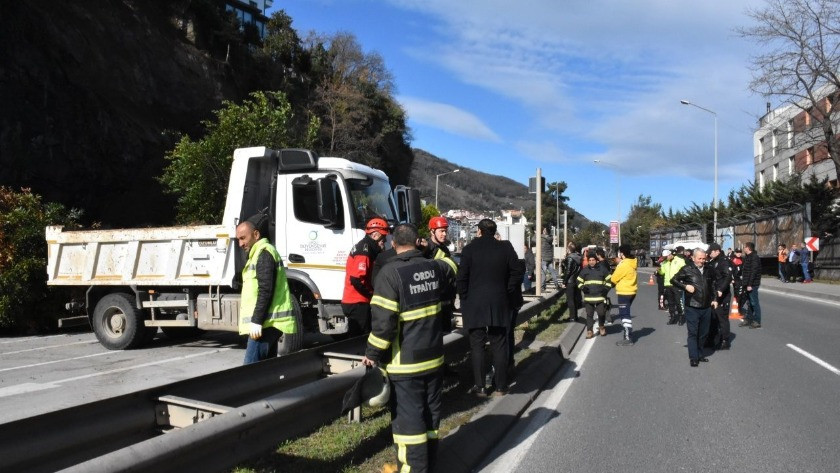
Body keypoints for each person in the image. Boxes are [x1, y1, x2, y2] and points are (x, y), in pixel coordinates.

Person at [361, 224, 456, 473]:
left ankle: (412, 469)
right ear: (418, 242)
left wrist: (371, 354)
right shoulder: (435, 267)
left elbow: (383, 326)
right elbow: (453, 266)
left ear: (394, 244)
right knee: (430, 420)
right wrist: (431, 250)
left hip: (406, 365)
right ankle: (428, 465)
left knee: (408, 426)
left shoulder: (390, 274)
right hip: (434, 359)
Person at [457, 219, 521, 397]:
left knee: (477, 345)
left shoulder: (469, 250)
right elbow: (517, 271)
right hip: (499, 302)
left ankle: (480, 387)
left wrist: (464, 297)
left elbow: (462, 277)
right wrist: (506, 288)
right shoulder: (505, 248)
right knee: (499, 344)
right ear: (494, 232)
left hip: (474, 303)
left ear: (479, 231)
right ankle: (501, 386)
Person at [235, 217, 297, 365]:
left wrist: (257, 321)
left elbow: (265, 290)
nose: (240, 244)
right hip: (267, 323)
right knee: (267, 369)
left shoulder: (263, 253)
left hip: (265, 324)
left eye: (243, 238)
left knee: (249, 371)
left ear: (256, 235)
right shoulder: (259, 253)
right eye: (238, 239)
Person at [670, 248, 718, 367]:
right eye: (699, 258)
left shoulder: (708, 269)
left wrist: (715, 299)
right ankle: (693, 357)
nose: (702, 261)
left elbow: (713, 285)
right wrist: (685, 286)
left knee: (703, 333)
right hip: (692, 306)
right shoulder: (687, 269)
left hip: (706, 306)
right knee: (693, 332)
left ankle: (700, 354)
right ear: (693, 258)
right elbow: (673, 280)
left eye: (703, 258)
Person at [342, 217, 389, 336]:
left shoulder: (368, 249)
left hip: (358, 301)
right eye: (383, 238)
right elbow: (357, 279)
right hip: (357, 302)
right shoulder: (364, 251)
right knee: (360, 339)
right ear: (375, 235)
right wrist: (371, 293)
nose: (385, 241)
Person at [425, 216, 458, 331]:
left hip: (446, 298)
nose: (444, 234)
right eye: (441, 231)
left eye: (445, 231)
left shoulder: (444, 248)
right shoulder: (426, 249)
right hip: (434, 299)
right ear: (432, 231)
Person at [577, 253, 612, 338]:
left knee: (601, 313)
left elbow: (609, 281)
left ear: (596, 260)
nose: (591, 262)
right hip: (589, 297)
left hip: (600, 296)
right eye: (590, 260)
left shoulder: (603, 269)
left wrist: (606, 290)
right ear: (588, 261)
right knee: (589, 315)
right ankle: (589, 331)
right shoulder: (584, 270)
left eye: (593, 260)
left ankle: (601, 327)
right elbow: (578, 281)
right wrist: (583, 288)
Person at [707, 242, 733, 349]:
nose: (709, 254)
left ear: (717, 251)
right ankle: (712, 339)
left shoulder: (724, 262)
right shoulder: (713, 262)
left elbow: (727, 277)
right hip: (713, 295)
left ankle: (724, 341)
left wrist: (721, 289)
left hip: (722, 295)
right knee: (712, 318)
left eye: (711, 252)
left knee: (722, 318)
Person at [611, 244, 638, 346]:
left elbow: (614, 279)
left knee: (624, 315)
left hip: (624, 292)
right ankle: (627, 335)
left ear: (621, 253)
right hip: (632, 291)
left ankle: (628, 337)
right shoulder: (633, 262)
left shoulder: (623, 265)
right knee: (626, 313)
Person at [659, 248, 686, 325]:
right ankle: (672, 317)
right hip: (667, 284)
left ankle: (681, 316)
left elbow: (685, 270)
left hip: (677, 284)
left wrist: (680, 279)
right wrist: (659, 271)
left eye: (666, 257)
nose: (665, 258)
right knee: (670, 302)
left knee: (678, 302)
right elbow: (662, 272)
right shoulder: (664, 262)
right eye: (664, 257)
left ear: (670, 254)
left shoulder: (679, 260)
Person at [739, 242, 762, 329]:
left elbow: (754, 272)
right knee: (749, 303)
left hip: (752, 284)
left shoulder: (754, 257)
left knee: (754, 302)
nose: (743, 248)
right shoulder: (748, 257)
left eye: (744, 247)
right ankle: (748, 319)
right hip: (747, 283)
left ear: (748, 248)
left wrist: (749, 284)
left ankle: (757, 321)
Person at [562, 242, 582, 321]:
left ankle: (572, 317)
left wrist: (564, 282)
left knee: (570, 300)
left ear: (569, 250)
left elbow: (568, 271)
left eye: (567, 249)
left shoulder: (570, 258)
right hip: (576, 280)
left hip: (570, 281)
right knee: (574, 299)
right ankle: (575, 316)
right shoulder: (578, 257)